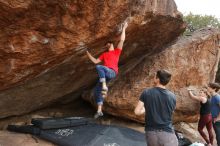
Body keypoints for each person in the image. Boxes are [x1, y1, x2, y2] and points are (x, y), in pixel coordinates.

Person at [86, 22, 128, 119]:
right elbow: (95, 61)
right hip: (105, 74)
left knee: (99, 67)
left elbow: (122, 40)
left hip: (112, 72)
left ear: (111, 44)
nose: (106, 45)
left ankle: (104, 86)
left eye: (107, 44)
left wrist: (124, 28)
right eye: (105, 45)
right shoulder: (104, 54)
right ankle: (99, 110)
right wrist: (87, 53)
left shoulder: (116, 52)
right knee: (97, 91)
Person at [134, 69, 178, 146]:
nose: (154, 78)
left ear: (157, 79)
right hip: (167, 134)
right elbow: (171, 112)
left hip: (151, 134)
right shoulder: (172, 96)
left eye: (155, 76)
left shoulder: (146, 92)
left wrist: (144, 109)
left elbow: (137, 112)